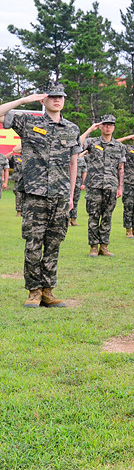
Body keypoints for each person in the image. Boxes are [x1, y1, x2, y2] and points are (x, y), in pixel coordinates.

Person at [0, 83, 80, 308]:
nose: (57, 100)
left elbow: (74, 163)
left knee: (54, 243)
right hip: (35, 194)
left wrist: (71, 194)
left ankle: (48, 291)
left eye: (60, 97)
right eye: (52, 96)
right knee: (34, 243)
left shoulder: (71, 129)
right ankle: (33, 291)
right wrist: (24, 101)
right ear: (43, 101)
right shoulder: (28, 121)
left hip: (61, 194)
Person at [79, 115, 126, 257]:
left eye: (111, 125)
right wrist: (89, 130)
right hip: (94, 185)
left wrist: (120, 186)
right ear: (100, 126)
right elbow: (77, 145)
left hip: (111, 186)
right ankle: (93, 247)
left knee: (107, 216)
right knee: (93, 216)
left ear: (114, 127)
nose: (108, 127)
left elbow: (121, 167)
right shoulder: (91, 142)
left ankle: (104, 246)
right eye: (105, 124)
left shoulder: (119, 146)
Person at [69, 151, 87, 226]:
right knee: (67, 201)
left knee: (75, 201)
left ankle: (73, 219)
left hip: (77, 182)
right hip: (68, 182)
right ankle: (66, 219)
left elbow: (84, 171)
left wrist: (83, 183)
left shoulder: (81, 160)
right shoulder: (68, 158)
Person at [7, 147, 24, 216]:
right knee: (18, 195)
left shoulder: (30, 156)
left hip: (28, 180)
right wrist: (13, 151)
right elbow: (6, 157)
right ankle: (19, 212)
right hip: (18, 180)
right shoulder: (16, 157)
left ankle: (26, 212)